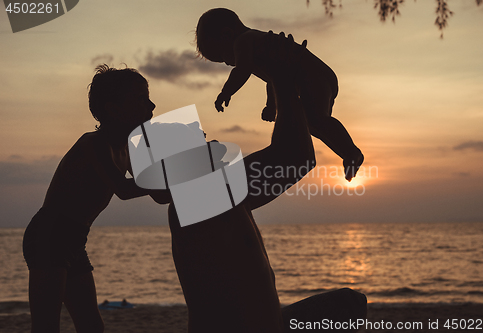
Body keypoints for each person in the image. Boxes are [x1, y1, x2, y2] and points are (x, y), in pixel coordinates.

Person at [168, 44, 366, 332]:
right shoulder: (201, 199)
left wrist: (281, 85)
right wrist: (280, 75)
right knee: (347, 305)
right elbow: (296, 157)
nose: (212, 143)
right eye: (202, 142)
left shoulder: (212, 197)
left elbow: (296, 158)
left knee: (348, 305)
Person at [22, 65, 171, 333]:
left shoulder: (130, 148)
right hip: (49, 235)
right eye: (140, 98)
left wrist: (194, 163)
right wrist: (167, 173)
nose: (151, 104)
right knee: (45, 327)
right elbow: (124, 190)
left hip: (74, 241)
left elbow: (159, 195)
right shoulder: (94, 143)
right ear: (113, 109)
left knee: (92, 327)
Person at [196, 8, 364, 181]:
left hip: (314, 75)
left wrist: (226, 92)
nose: (227, 64)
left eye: (222, 57)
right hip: (317, 77)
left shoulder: (244, 41)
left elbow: (242, 70)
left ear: (226, 35)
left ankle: (351, 152)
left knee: (316, 120)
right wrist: (271, 105)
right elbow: (272, 77)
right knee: (313, 123)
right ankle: (348, 153)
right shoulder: (258, 46)